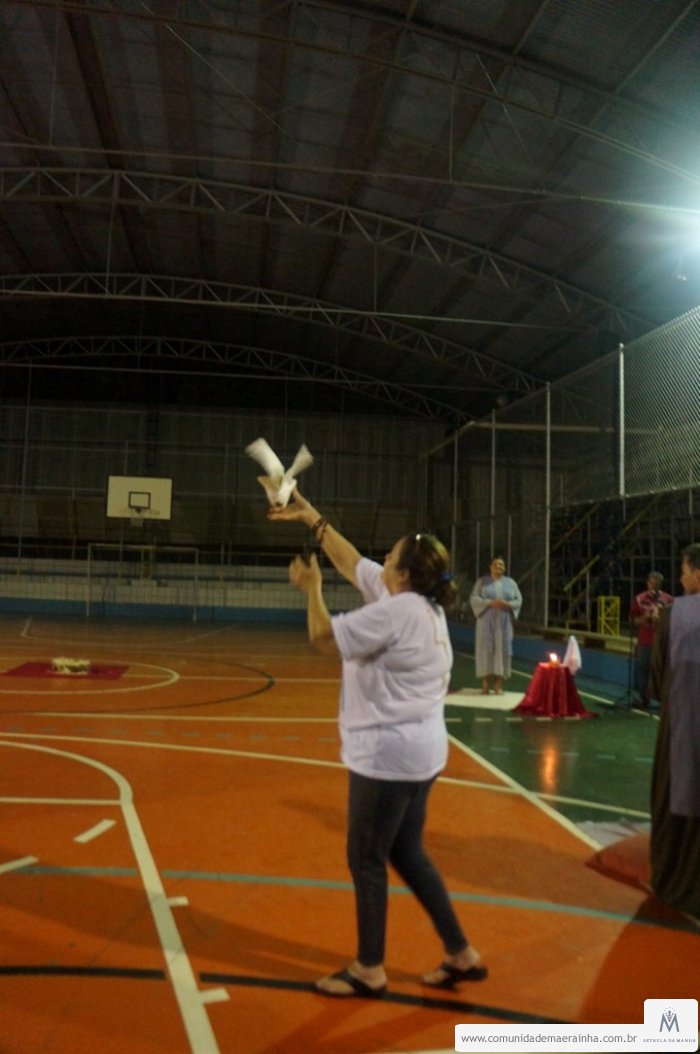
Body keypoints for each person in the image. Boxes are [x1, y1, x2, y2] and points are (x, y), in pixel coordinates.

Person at [268, 490, 487, 998]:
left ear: (404, 574)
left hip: (387, 757)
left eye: (389, 557)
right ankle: (461, 953)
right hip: (423, 753)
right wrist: (310, 516)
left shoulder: (396, 613)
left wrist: (311, 589)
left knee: (366, 857)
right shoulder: (419, 605)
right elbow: (352, 563)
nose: (381, 560)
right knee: (406, 851)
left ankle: (370, 968)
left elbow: (324, 638)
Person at [648, 543, 700, 920]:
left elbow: (657, 678)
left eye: (683, 573)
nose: (680, 580)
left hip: (684, 728)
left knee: (678, 795)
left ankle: (676, 879)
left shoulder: (675, 616)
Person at [469, 556, 522, 695]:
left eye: (501, 565)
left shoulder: (511, 583)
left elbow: (518, 600)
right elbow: (474, 598)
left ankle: (499, 685)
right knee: (485, 651)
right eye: (496, 564)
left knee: (503, 650)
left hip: (504, 623)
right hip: (486, 622)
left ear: (504, 568)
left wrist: (507, 604)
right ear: (490, 567)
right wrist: (489, 603)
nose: (499, 567)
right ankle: (485, 685)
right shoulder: (482, 582)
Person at [629, 571, 673, 709]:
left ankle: (663, 701)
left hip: (663, 642)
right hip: (645, 641)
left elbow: (675, 619)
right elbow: (634, 620)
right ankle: (643, 699)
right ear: (648, 583)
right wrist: (645, 617)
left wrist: (661, 618)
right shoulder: (639, 599)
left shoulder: (668, 599)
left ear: (661, 584)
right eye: (652, 583)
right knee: (643, 670)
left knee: (663, 671)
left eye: (657, 584)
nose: (654, 586)